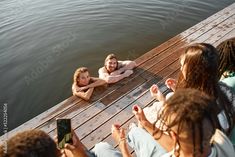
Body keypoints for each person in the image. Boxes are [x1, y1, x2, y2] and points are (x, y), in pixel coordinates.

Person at [62, 89, 235, 157]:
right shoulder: (223, 143)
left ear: (173, 136)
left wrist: (121, 143)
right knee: (135, 133)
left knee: (101, 148)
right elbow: (183, 146)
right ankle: (74, 148)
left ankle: (74, 150)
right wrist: (145, 123)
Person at [145, 43, 235, 135]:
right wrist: (177, 89)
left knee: (147, 113)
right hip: (220, 136)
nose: (180, 69)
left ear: (192, 72)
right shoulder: (224, 89)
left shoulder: (194, 106)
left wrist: (160, 99)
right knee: (170, 96)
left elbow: (176, 124)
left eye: (182, 66)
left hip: (198, 142)